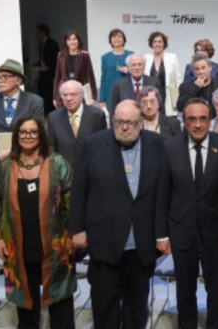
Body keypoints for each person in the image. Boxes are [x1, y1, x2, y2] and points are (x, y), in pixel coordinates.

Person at [69, 100, 165, 328]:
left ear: (141, 122)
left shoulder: (159, 144)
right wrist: (77, 229)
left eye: (130, 122)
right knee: (104, 308)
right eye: (119, 122)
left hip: (141, 243)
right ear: (112, 121)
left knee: (136, 308)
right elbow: (79, 189)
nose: (124, 127)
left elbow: (164, 192)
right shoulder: (92, 144)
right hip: (103, 240)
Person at [155, 97, 218, 329]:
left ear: (210, 120)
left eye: (203, 118)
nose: (197, 124)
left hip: (216, 232)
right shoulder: (170, 147)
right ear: (183, 121)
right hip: (181, 233)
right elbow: (163, 194)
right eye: (191, 119)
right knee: (185, 291)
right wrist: (162, 235)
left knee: (216, 292)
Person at [0, 116, 76, 328]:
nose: (28, 136)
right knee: (26, 311)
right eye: (23, 132)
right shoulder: (5, 167)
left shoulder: (57, 163)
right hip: (18, 247)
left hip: (56, 247)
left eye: (33, 132)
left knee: (60, 306)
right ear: (16, 135)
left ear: (41, 135)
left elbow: (72, 201)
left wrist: (73, 234)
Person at [47, 80, 107, 167]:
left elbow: (102, 146)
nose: (68, 99)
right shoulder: (54, 117)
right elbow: (52, 149)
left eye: (73, 94)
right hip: (65, 172)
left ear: (82, 96)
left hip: (91, 169)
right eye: (65, 95)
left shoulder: (97, 115)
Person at [0, 58, 45, 133]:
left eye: (5, 77)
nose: (0, 80)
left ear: (18, 80)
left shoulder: (34, 101)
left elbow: (38, 131)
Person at [53, 30, 98, 108]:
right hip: (65, 91)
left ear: (78, 40)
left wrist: (94, 96)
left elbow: (90, 76)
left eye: (74, 39)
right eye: (69, 39)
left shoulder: (84, 55)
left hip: (80, 90)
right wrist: (55, 97)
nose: (72, 42)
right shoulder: (61, 55)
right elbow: (58, 76)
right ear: (66, 42)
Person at [143, 31, 182, 116]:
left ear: (164, 43)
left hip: (168, 96)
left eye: (160, 41)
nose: (157, 44)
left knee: (169, 121)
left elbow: (178, 79)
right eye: (155, 41)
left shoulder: (172, 57)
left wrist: (176, 96)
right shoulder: (145, 58)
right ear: (151, 44)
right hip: (150, 95)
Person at [99, 28, 134, 111]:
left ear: (124, 40)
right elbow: (103, 78)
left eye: (119, 37)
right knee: (112, 118)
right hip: (110, 94)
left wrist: (129, 71)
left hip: (127, 93)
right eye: (114, 37)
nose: (117, 39)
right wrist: (102, 98)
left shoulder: (131, 55)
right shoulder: (105, 57)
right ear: (110, 40)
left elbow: (138, 75)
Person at [32, 23, 59, 113]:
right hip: (44, 73)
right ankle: (45, 110)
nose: (36, 35)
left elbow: (55, 58)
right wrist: (37, 63)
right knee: (42, 91)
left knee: (48, 93)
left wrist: (49, 68)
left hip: (50, 73)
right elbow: (44, 58)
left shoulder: (51, 43)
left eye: (37, 33)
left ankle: (49, 111)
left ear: (43, 33)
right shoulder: (42, 43)